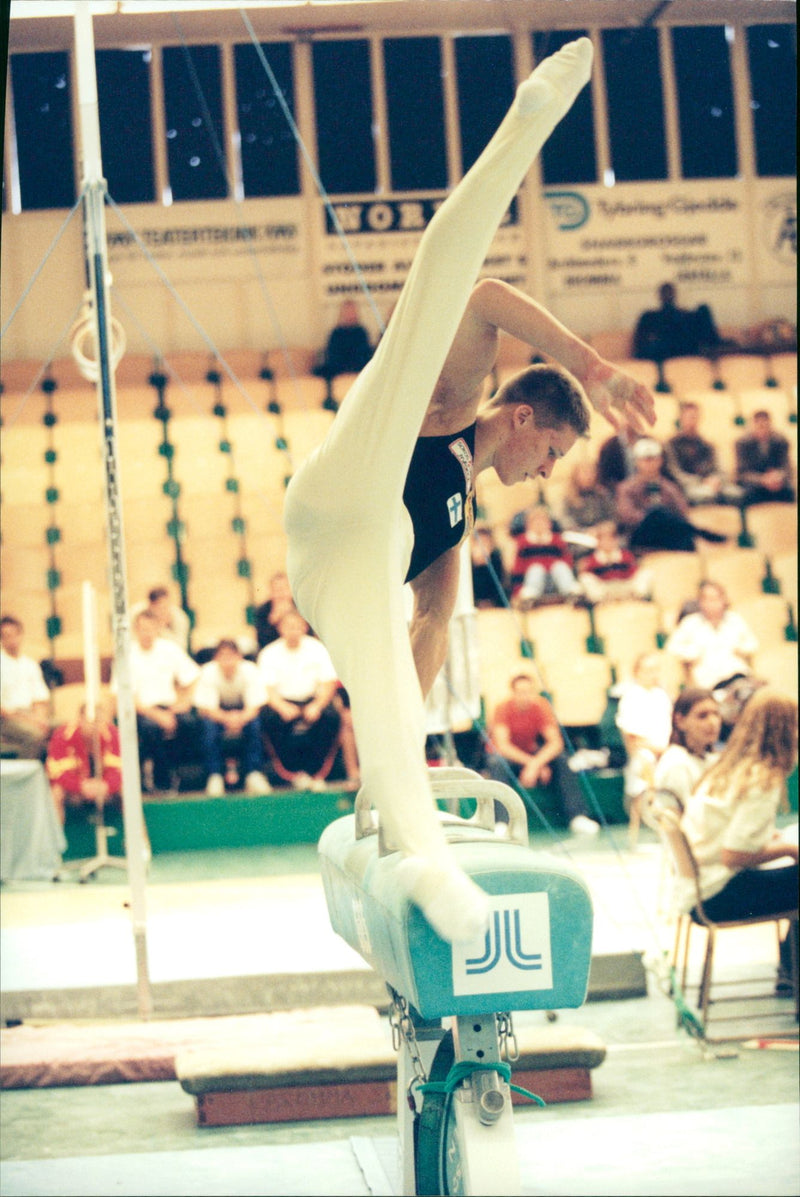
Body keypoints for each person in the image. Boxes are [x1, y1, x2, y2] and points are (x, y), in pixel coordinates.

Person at [283, 38, 655, 944]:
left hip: (357, 559)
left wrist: (397, 733)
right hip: (362, 460)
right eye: (556, 449)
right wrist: (591, 364)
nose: (549, 472)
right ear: (524, 417)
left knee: (393, 662)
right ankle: (527, 122)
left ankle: (424, 857)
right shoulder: (459, 390)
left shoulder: (459, 517)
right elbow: (482, 289)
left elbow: (431, 625)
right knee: (436, 286)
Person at [676, 688, 798, 990]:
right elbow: (733, 854)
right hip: (719, 895)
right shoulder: (762, 777)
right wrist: (790, 848)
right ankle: (792, 973)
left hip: (700, 890)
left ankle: (790, 971)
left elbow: (727, 834)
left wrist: (767, 839)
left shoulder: (730, 767)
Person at [484, 673, 599, 835]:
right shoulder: (502, 709)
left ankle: (578, 816)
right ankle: (501, 822)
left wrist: (536, 764)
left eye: (529, 692)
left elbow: (556, 743)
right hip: (508, 757)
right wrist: (533, 764)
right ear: (513, 693)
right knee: (497, 763)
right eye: (520, 692)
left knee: (562, 759)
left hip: (531, 755)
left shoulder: (541, 706)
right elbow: (503, 746)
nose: (525, 696)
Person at [258, 609, 343, 790]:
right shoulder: (269, 653)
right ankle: (291, 773)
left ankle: (317, 774)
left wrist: (317, 706)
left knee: (331, 716)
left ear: (304, 627)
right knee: (268, 717)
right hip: (283, 703)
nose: (293, 631)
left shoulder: (318, 648)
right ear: (280, 629)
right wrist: (282, 707)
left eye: (297, 626)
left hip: (312, 700)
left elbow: (328, 683)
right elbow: (268, 689)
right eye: (288, 627)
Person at [119, 610, 200, 794]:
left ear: (157, 629)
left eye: (150, 629)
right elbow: (125, 696)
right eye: (142, 629)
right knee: (151, 728)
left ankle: (183, 776)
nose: (146, 633)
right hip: (143, 710)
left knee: (190, 723)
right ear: (135, 630)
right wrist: (158, 715)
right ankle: (160, 779)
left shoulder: (169, 649)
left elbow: (193, 676)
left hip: (170, 706)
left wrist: (184, 702)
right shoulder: (127, 655)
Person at [615, 438, 728, 552]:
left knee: (664, 516)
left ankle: (695, 537)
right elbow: (627, 515)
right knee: (656, 512)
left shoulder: (670, 487)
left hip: (668, 533)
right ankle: (700, 532)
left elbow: (682, 512)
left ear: (660, 461)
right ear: (637, 462)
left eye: (653, 459)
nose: (649, 464)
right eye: (645, 460)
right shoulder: (626, 488)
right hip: (642, 533)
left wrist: (664, 521)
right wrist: (655, 519)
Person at [193, 639, 271, 796]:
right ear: (216, 658)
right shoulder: (208, 672)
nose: (227, 660)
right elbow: (205, 708)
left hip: (244, 714)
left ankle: (253, 773)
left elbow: (255, 706)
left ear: (239, 657)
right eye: (223, 656)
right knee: (208, 727)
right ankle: (214, 775)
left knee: (256, 724)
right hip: (218, 716)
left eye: (231, 656)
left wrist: (240, 718)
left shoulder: (250, 670)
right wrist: (228, 719)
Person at [666, 580, 758, 692]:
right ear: (700, 602)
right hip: (709, 680)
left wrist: (741, 649)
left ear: (724, 600)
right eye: (708, 600)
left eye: (716, 599)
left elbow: (753, 644)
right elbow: (672, 648)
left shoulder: (735, 619)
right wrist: (691, 653)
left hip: (737, 673)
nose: (713, 603)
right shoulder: (690, 623)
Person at [45, 701, 122, 825]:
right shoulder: (62, 735)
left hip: (104, 788)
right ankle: (55, 840)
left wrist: (106, 785)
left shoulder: (112, 734)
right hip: (75, 790)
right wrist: (81, 786)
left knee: (127, 790)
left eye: (99, 721)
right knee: (56, 792)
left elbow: (120, 769)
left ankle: (138, 837)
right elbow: (56, 772)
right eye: (90, 721)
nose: (94, 726)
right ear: (80, 720)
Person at [615, 653, 673, 816]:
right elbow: (632, 739)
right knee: (645, 760)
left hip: (667, 748)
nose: (653, 674)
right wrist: (658, 750)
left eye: (656, 670)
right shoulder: (630, 697)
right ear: (637, 672)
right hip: (644, 751)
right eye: (648, 670)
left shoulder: (662, 696)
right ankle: (648, 811)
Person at [653, 688, 722, 808]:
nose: (713, 722)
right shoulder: (677, 764)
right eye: (702, 716)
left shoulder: (711, 758)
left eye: (716, 714)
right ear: (680, 721)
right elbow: (691, 819)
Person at [665, 401, 743, 506]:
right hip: (688, 486)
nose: (693, 421)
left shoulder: (707, 444)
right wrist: (702, 481)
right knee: (705, 495)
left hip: (713, 484)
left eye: (695, 417)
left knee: (736, 494)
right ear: (681, 419)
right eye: (690, 417)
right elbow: (675, 473)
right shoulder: (672, 444)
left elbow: (720, 469)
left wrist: (717, 480)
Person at [0, 615, 51, 759]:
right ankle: (23, 777)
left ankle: (55, 775)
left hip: (32, 714)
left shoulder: (30, 664)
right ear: (2, 640)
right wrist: (30, 721)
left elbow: (40, 698)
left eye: (15, 634)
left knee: (64, 728)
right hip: (7, 719)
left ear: (21, 635)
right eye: (6, 636)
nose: (12, 640)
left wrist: (40, 719)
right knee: (35, 735)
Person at [633, 281, 723, 362]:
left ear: (675, 294)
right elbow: (640, 342)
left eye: (670, 292)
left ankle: (714, 345)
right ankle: (713, 347)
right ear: (660, 295)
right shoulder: (649, 316)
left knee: (703, 308)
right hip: (664, 349)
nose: (668, 295)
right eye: (665, 292)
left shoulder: (685, 314)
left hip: (685, 346)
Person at [509, 505, 578, 602]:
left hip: (555, 581)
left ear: (549, 524)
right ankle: (529, 597)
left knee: (560, 567)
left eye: (542, 522)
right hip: (534, 581)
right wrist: (517, 590)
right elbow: (518, 568)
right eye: (535, 522)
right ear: (528, 525)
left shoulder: (557, 540)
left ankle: (571, 592)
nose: (539, 525)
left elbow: (567, 562)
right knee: (536, 569)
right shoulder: (523, 543)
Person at [577, 519, 652, 604]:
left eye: (610, 539)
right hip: (605, 589)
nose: (607, 542)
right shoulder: (592, 559)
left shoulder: (625, 555)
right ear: (598, 542)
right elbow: (588, 575)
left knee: (646, 573)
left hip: (624, 585)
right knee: (585, 579)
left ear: (616, 540)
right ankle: (599, 600)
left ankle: (638, 596)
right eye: (603, 539)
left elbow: (633, 571)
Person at [734, 409, 795, 506]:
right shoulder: (742, 443)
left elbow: (787, 467)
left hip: (777, 483)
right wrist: (762, 480)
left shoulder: (780, 441)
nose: (763, 429)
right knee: (748, 494)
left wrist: (778, 476)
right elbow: (742, 473)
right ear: (753, 425)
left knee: (789, 491)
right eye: (759, 426)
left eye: (765, 426)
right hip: (754, 484)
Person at [314, 299, 373, 385]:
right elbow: (332, 355)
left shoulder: (361, 332)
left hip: (358, 367)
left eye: (352, 311)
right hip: (338, 368)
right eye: (347, 311)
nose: (349, 314)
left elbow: (363, 354)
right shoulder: (335, 333)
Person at [560, 458, 616, 535]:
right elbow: (565, 521)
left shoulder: (602, 495)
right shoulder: (569, 498)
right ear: (576, 475)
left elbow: (612, 519)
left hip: (600, 536)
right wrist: (584, 531)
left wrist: (600, 529)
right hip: (578, 537)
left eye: (591, 473)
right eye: (585, 473)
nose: (589, 477)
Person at [130, 586, 191, 653]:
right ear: (150, 606)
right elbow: (130, 641)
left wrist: (162, 629)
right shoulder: (136, 614)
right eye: (159, 608)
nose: (163, 611)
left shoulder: (180, 618)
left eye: (166, 607)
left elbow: (181, 648)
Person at [254, 570, 298, 650]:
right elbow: (260, 641)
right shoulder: (262, 611)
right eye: (278, 590)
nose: (282, 594)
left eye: (285, 589)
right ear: (271, 592)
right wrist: (273, 622)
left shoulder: (300, 607)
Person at [470, 524, 509, 608]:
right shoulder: (468, 561)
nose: (482, 545)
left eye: (485, 541)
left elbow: (501, 583)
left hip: (494, 602)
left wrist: (487, 565)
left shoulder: (496, 558)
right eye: (479, 541)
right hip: (475, 602)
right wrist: (476, 566)